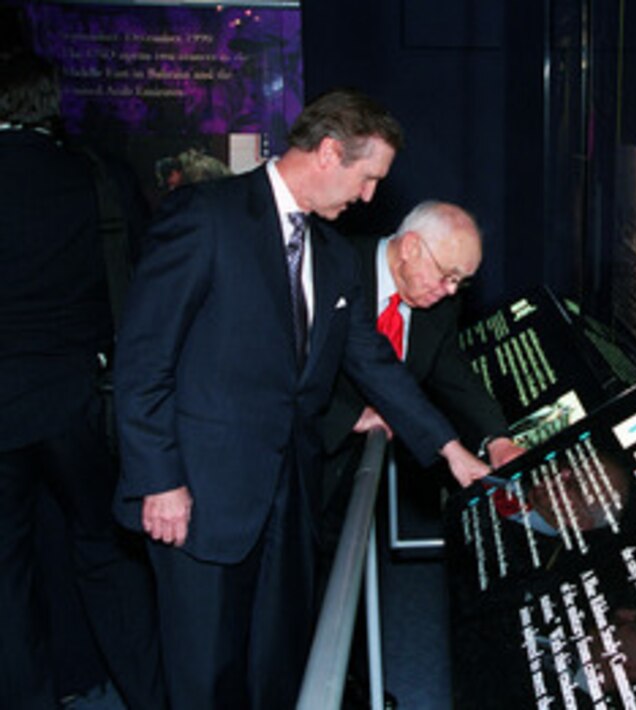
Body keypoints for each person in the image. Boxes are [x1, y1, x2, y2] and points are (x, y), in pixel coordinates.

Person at [112, 88, 490, 709]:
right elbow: (144, 359)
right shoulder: (206, 217)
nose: (370, 197)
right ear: (329, 152)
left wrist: (450, 449)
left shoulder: (335, 255)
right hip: (198, 501)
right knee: (205, 680)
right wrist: (159, 479)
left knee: (276, 670)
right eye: (367, 178)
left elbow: (373, 363)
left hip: (288, 499)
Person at [0, 50, 165, 709]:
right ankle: (151, 697)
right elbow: (139, 279)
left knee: (5, 574)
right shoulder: (97, 174)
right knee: (107, 553)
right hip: (81, 400)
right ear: (49, 101)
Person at [321, 200, 524, 473]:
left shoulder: (441, 306)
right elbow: (286, 363)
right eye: (447, 275)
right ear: (410, 248)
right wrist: (347, 417)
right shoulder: (335, 266)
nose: (451, 290)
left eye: (460, 281)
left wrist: (497, 439)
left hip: (362, 471)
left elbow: (455, 375)